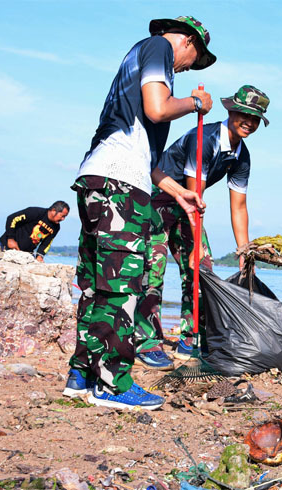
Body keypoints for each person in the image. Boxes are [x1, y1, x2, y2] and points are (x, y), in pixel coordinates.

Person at [63, 15, 216, 411]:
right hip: (119, 187)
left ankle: (81, 372)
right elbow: (158, 109)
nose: (185, 68)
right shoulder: (159, 49)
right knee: (124, 285)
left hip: (99, 178)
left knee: (98, 284)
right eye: (192, 59)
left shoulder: (136, 61)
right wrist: (196, 103)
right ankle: (112, 383)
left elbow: (145, 157)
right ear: (187, 42)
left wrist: (178, 192)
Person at [133, 85, 270, 370]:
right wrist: (194, 233)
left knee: (201, 271)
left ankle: (190, 337)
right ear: (231, 110)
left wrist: (244, 253)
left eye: (256, 118)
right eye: (244, 114)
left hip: (192, 204)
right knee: (153, 268)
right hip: (161, 198)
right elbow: (196, 195)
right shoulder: (205, 138)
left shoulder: (242, 155)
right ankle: (146, 341)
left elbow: (239, 206)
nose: (249, 122)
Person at [0, 201, 70, 261]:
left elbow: (46, 243)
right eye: (62, 216)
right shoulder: (35, 212)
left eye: (65, 217)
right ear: (54, 210)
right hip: (7, 246)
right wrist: (10, 238)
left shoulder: (56, 228)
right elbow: (12, 218)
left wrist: (40, 255)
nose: (63, 219)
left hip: (25, 254)